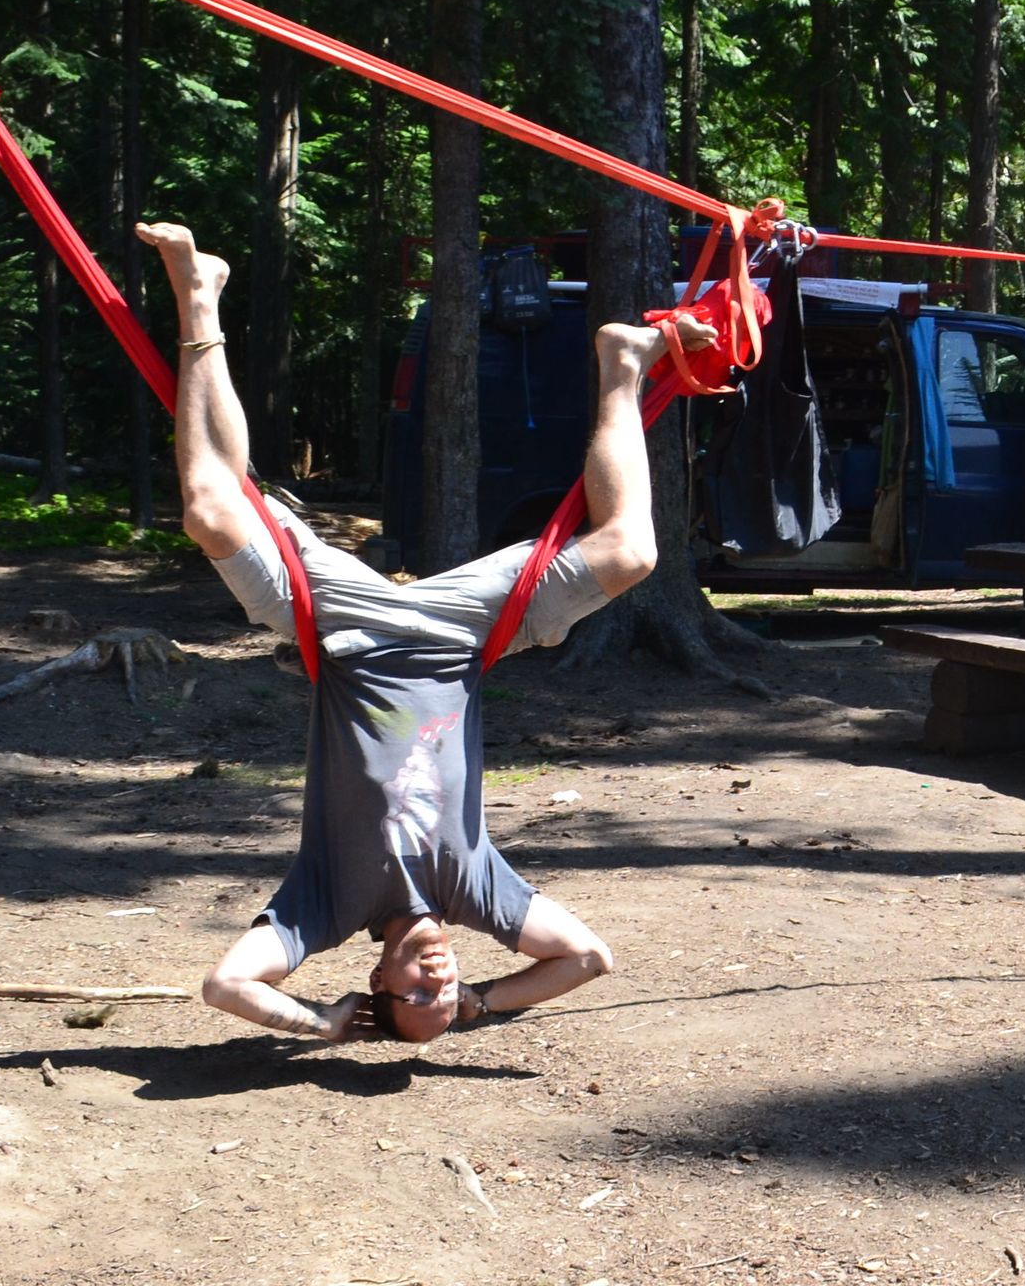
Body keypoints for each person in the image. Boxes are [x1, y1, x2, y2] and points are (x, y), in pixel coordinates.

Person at [136, 220, 709, 1046]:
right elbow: (587, 957)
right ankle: (623, 364)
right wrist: (482, 1002)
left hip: (340, 630)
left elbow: (226, 985)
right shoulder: (481, 893)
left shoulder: (324, 907)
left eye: (417, 995)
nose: (437, 979)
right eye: (446, 994)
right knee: (632, 551)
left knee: (216, 509)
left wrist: (323, 1024)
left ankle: (199, 298)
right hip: (468, 637)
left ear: (377, 981)